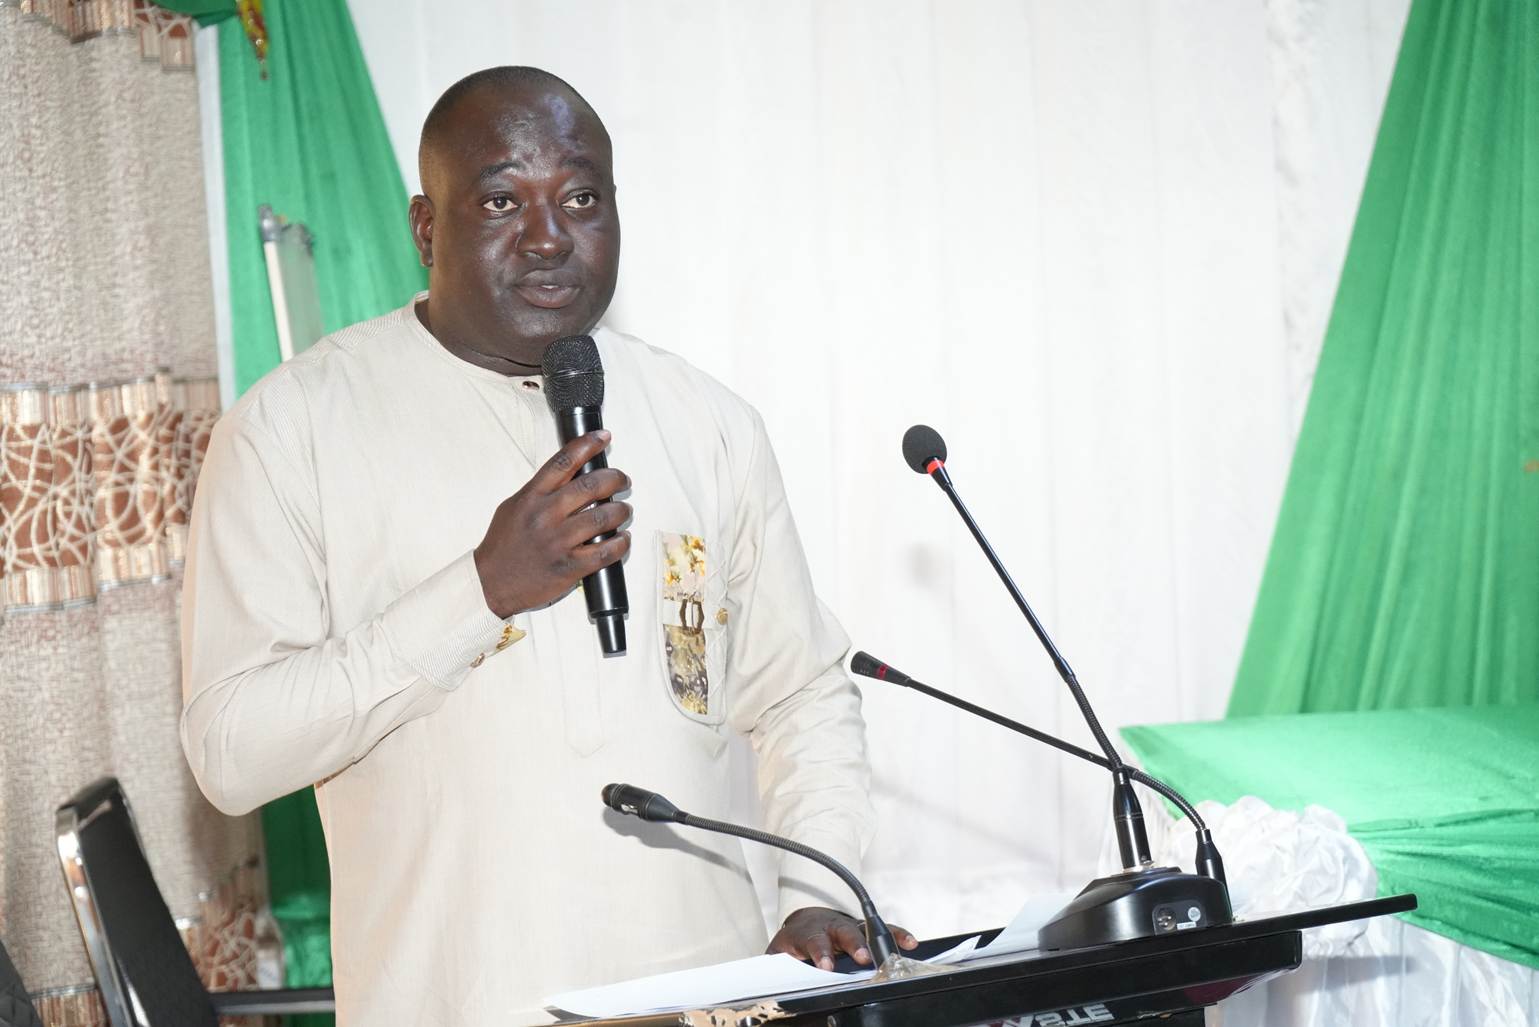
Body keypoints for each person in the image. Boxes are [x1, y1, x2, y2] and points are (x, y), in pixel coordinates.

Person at [180, 66, 913, 1025]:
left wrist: (815, 890)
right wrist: (481, 591)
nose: (547, 236)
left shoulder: (706, 422)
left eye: (579, 198)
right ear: (425, 229)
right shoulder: (291, 429)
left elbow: (801, 693)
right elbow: (232, 751)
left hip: (708, 995)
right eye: (500, 201)